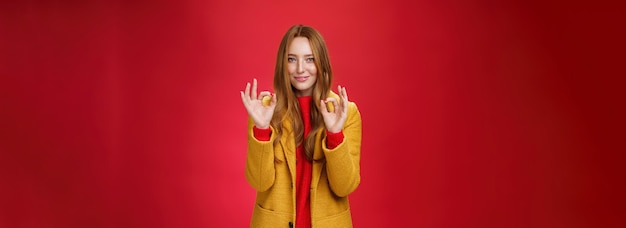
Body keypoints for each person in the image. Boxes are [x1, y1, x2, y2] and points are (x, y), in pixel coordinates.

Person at [240, 25, 362, 227]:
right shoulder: (264, 111)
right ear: (282, 63)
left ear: (321, 62)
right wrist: (262, 128)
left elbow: (344, 187)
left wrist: (334, 134)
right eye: (291, 59)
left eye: (309, 59)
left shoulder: (345, 112)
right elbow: (259, 182)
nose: (300, 69)